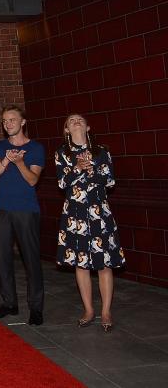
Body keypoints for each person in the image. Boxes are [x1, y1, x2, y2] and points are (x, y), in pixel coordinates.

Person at [55, 114, 125, 332]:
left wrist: (92, 169)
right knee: (81, 262)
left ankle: (106, 311)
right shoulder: (62, 153)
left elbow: (111, 181)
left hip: (99, 214)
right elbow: (61, 183)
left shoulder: (101, 151)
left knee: (104, 264)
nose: (77, 121)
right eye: (71, 120)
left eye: (81, 119)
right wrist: (76, 168)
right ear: (66, 129)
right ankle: (88, 310)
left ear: (88, 127)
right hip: (75, 215)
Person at [0, 104, 46, 325]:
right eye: (4, 121)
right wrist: (5, 160)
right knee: (2, 257)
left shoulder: (36, 148)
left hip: (26, 210)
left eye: (12, 119)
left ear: (23, 122)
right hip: (2, 209)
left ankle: (36, 308)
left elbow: (32, 180)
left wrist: (19, 162)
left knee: (31, 259)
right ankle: (9, 303)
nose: (7, 124)